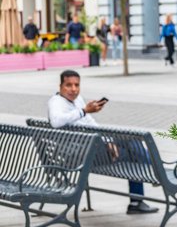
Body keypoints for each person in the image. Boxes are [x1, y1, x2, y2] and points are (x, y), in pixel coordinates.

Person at [48, 70, 158, 214]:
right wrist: (84, 110)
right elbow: (56, 122)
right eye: (69, 85)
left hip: (89, 150)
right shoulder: (56, 102)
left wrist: (108, 141)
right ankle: (154, 176)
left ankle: (149, 181)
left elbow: (90, 122)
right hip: (80, 156)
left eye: (77, 85)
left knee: (130, 139)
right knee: (134, 153)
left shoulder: (77, 100)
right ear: (60, 86)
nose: (73, 89)